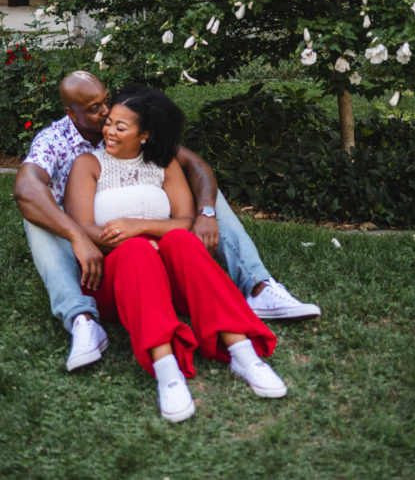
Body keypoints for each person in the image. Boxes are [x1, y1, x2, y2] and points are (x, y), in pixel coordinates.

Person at [14, 71, 320, 376]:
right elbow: (26, 189)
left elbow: (196, 165)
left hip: (157, 238)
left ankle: (258, 285)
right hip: (83, 235)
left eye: (106, 102)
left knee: (207, 196)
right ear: (71, 113)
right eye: (95, 110)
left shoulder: (133, 126)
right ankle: (82, 319)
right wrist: (77, 235)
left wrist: (204, 214)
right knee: (38, 214)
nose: (106, 113)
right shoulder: (56, 141)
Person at [63, 84, 286, 422]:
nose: (107, 130)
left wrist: (141, 226)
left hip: (170, 278)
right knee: (137, 250)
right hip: (117, 280)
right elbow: (84, 228)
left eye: (120, 127)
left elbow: (184, 223)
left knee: (181, 242)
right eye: (109, 122)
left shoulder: (164, 164)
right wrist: (135, 239)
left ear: (145, 135)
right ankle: (167, 370)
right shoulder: (88, 164)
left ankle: (243, 353)